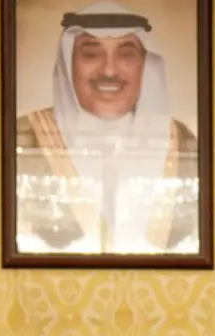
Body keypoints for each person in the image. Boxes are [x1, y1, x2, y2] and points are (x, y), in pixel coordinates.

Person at [13, 1, 202, 255]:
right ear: (69, 63)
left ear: (145, 65)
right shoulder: (25, 136)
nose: (109, 70)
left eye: (126, 55)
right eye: (91, 54)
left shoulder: (180, 141)